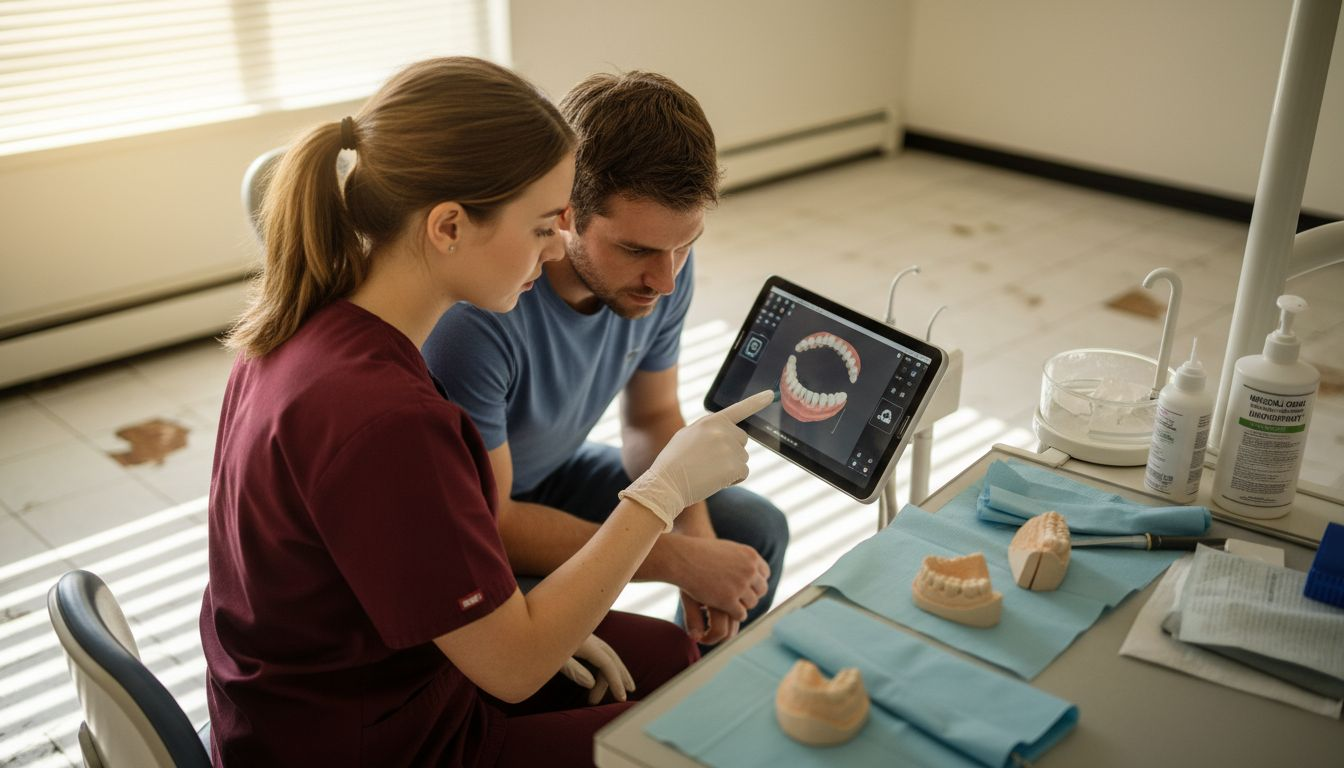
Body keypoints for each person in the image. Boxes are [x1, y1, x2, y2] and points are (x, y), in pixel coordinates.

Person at [199, 57, 771, 767]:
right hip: (371, 741)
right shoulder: (389, 419)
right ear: (448, 227)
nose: (555, 247)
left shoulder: (308, 324)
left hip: (360, 682)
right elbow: (516, 666)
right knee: (684, 735)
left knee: (667, 655)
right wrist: (661, 494)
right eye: (540, 227)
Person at [422, 72, 790, 648]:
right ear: (565, 214)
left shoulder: (662, 268)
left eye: (685, 244)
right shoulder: (480, 315)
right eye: (636, 249)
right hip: (474, 524)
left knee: (752, 533)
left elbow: (649, 419)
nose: (665, 280)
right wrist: (678, 560)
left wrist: (697, 541)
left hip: (547, 473)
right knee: (590, 652)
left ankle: (683, 704)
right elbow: (491, 522)